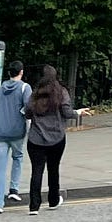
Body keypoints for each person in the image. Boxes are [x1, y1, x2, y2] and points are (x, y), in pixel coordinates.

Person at [26, 65, 74, 212]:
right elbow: (67, 112)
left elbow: (27, 113)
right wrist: (77, 113)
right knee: (53, 169)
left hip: (36, 139)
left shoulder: (35, 94)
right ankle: (53, 200)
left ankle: (34, 205)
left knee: (36, 171)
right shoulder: (61, 92)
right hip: (56, 137)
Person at [0, 59, 30, 213]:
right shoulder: (25, 88)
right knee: (18, 157)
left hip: (0, 133)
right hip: (17, 132)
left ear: (8, 73)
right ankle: (14, 189)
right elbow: (29, 109)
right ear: (21, 72)